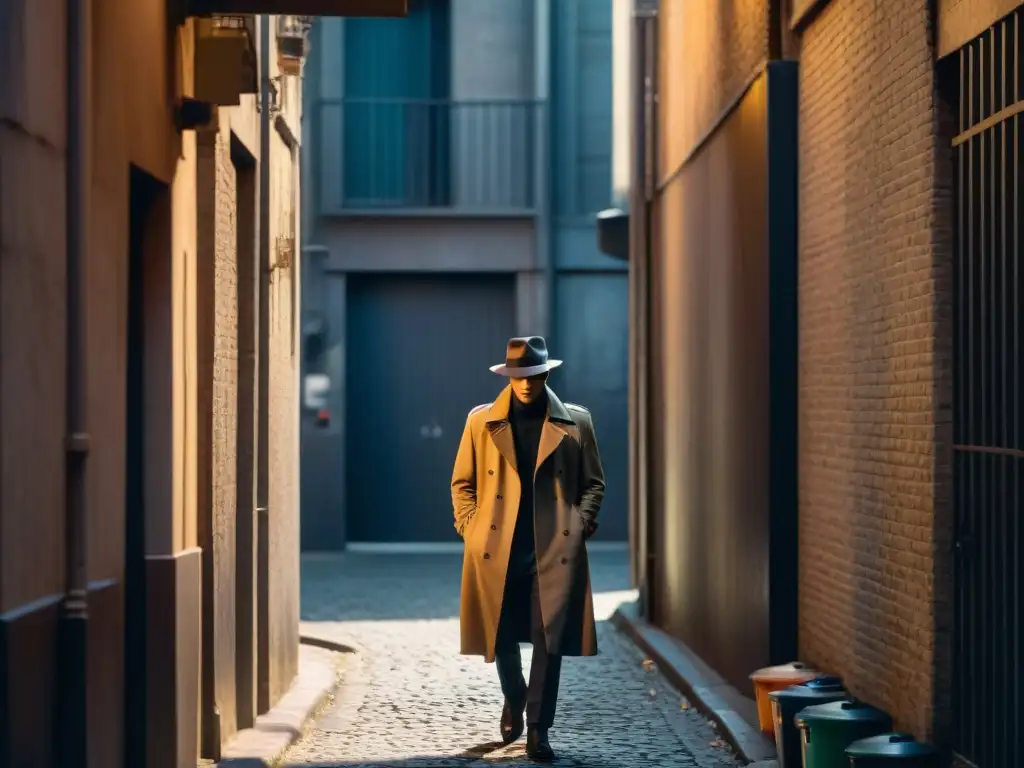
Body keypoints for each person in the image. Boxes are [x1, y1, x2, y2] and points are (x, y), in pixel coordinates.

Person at [451, 335, 606, 762]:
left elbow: (594, 482)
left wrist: (581, 522)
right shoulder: (481, 422)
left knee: (547, 639)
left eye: (533, 375)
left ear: (546, 374)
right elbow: (462, 482)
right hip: (495, 549)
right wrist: (471, 527)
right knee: (499, 635)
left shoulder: (576, 421)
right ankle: (515, 695)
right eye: (517, 375)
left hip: (553, 548)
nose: (524, 383)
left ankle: (539, 729)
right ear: (507, 375)